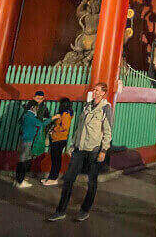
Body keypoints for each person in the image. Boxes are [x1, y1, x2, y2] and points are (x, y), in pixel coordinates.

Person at [47, 82, 112, 222]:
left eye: (97, 90)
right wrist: (73, 144)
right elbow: (79, 127)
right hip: (79, 148)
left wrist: (104, 150)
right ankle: (60, 210)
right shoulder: (87, 106)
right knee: (69, 179)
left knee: (92, 181)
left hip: (94, 149)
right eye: (94, 89)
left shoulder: (106, 108)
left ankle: (84, 210)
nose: (94, 92)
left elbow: (108, 131)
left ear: (103, 93)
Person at [14, 99, 50, 188]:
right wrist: (51, 119)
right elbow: (41, 124)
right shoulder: (30, 116)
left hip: (24, 139)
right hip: (28, 140)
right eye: (37, 108)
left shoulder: (25, 115)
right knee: (24, 160)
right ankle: (20, 181)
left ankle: (18, 179)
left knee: (22, 159)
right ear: (33, 107)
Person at [42, 98, 74, 186]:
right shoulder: (63, 114)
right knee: (54, 159)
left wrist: (53, 130)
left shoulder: (66, 114)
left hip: (59, 139)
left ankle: (53, 178)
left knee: (56, 159)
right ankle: (51, 177)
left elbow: (64, 127)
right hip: (57, 139)